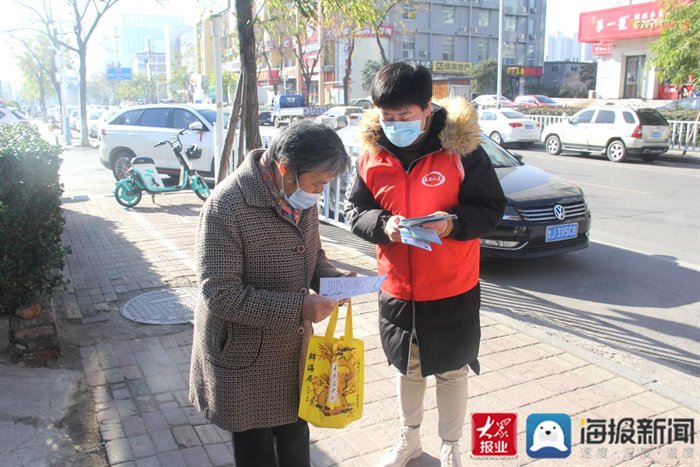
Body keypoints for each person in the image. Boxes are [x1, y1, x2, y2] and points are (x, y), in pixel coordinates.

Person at [344, 63, 506, 467]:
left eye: (405, 116)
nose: (395, 124)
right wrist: (386, 225)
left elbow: (492, 208)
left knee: (452, 371)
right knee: (408, 369)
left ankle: (451, 446)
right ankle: (409, 440)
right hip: (398, 286)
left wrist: (453, 223)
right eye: (388, 117)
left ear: (428, 108)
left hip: (453, 285)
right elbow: (354, 212)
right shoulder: (371, 155)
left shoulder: (462, 150)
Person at [189, 120, 352, 467]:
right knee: (257, 451)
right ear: (284, 169)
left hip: (293, 351)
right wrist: (300, 307)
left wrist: (335, 282)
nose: (319, 193)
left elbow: (312, 255)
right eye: (318, 183)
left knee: (296, 441)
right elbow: (219, 294)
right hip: (244, 357)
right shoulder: (226, 206)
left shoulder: (300, 198)